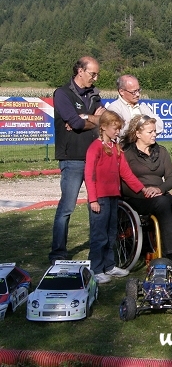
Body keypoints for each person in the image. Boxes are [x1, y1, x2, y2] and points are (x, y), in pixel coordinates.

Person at [49, 56, 107, 264]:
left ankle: (99, 251)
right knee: (67, 207)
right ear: (80, 71)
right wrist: (90, 119)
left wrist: (85, 119)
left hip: (94, 156)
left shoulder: (95, 94)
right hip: (72, 158)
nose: (96, 77)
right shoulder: (62, 93)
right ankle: (57, 253)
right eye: (93, 74)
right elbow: (75, 122)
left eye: (97, 74)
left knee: (98, 205)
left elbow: (104, 122)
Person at [84, 111, 148, 283]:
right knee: (99, 235)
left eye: (119, 129)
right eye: (115, 129)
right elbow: (89, 175)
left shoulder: (116, 148)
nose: (118, 132)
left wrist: (142, 189)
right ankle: (96, 269)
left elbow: (125, 173)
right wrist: (93, 200)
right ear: (103, 127)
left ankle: (110, 265)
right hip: (100, 199)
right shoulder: (95, 148)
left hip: (114, 197)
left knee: (111, 233)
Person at [121, 114, 172, 265]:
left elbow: (171, 179)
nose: (154, 134)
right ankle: (170, 252)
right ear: (137, 133)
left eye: (155, 131)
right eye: (150, 132)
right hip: (137, 198)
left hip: (160, 194)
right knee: (162, 203)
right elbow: (122, 183)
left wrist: (159, 189)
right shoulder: (126, 154)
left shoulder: (162, 151)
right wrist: (144, 191)